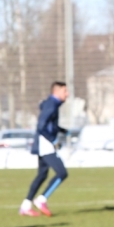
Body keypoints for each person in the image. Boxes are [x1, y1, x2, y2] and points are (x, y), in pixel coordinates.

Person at [20, 82, 70, 217]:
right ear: (56, 91)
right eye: (65, 91)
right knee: (62, 173)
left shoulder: (52, 104)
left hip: (43, 144)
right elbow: (41, 126)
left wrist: (62, 130)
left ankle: (25, 206)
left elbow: (49, 124)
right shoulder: (51, 104)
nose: (68, 94)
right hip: (45, 145)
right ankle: (41, 200)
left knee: (42, 175)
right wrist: (54, 141)